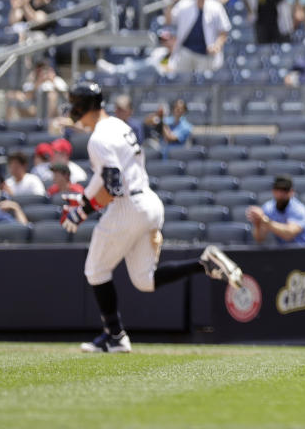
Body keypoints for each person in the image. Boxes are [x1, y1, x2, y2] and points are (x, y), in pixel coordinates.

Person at [60, 81, 243, 353]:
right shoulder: (120, 125)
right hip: (148, 201)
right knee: (145, 281)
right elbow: (109, 177)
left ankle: (115, 336)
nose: (73, 109)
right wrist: (86, 199)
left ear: (83, 106)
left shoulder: (99, 138)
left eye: (75, 104)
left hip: (128, 207)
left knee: (95, 271)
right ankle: (203, 263)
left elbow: (112, 186)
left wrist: (81, 212)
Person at [163, 0, 230, 73]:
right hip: (185, 51)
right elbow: (168, 21)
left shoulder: (216, 7)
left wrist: (217, 45)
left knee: (204, 85)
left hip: (206, 53)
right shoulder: (184, 5)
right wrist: (171, 2)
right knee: (181, 82)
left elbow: (224, 31)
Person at [245, 175, 305, 246]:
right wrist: (257, 224)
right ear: (273, 191)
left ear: (291, 192)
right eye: (277, 189)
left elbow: (289, 234)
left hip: (304, 251)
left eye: (285, 190)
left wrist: (264, 220)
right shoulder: (268, 208)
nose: (280, 193)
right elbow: (260, 238)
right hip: (282, 252)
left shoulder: (299, 209)